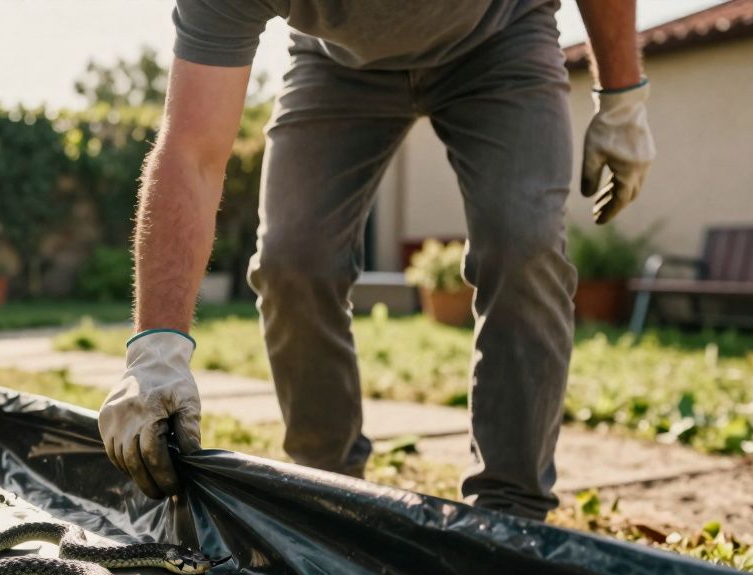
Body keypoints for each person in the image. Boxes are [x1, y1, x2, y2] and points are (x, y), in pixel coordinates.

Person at [98, 0, 655, 520]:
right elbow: (192, 152)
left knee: (523, 243)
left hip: (499, 37)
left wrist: (623, 95)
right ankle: (328, 488)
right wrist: (156, 349)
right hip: (335, 64)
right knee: (294, 259)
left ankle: (511, 512)